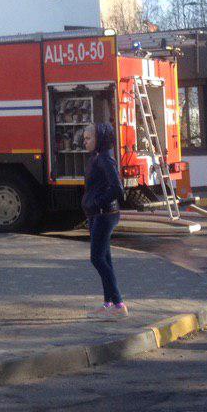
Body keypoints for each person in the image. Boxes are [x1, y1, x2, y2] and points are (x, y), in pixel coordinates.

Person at [82, 122, 128, 320]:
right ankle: (108, 303)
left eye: (89, 138)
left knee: (97, 258)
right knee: (105, 258)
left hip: (104, 215)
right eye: (84, 138)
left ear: (99, 138)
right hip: (96, 215)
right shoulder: (97, 158)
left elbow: (118, 189)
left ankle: (118, 304)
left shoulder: (105, 159)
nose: (85, 142)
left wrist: (99, 203)